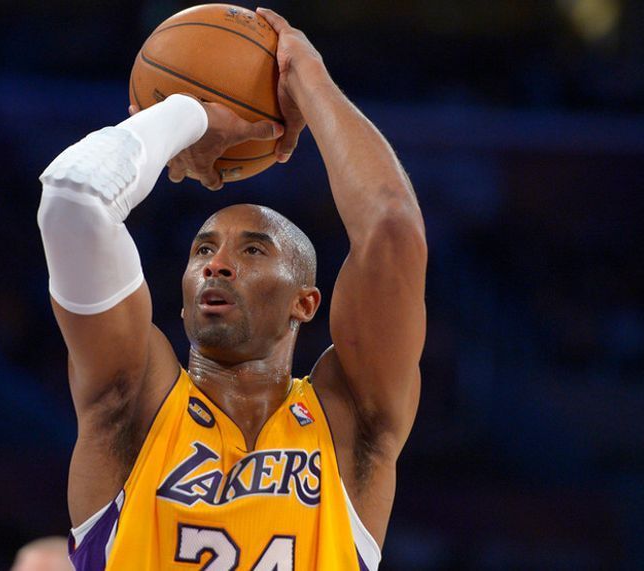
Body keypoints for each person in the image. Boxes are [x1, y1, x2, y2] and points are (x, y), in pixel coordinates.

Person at [37, 8, 425, 570]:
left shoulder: (349, 423)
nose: (216, 264)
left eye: (251, 250)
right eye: (202, 250)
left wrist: (307, 79)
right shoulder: (131, 403)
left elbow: (392, 229)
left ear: (305, 301)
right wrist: (189, 114)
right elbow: (74, 201)